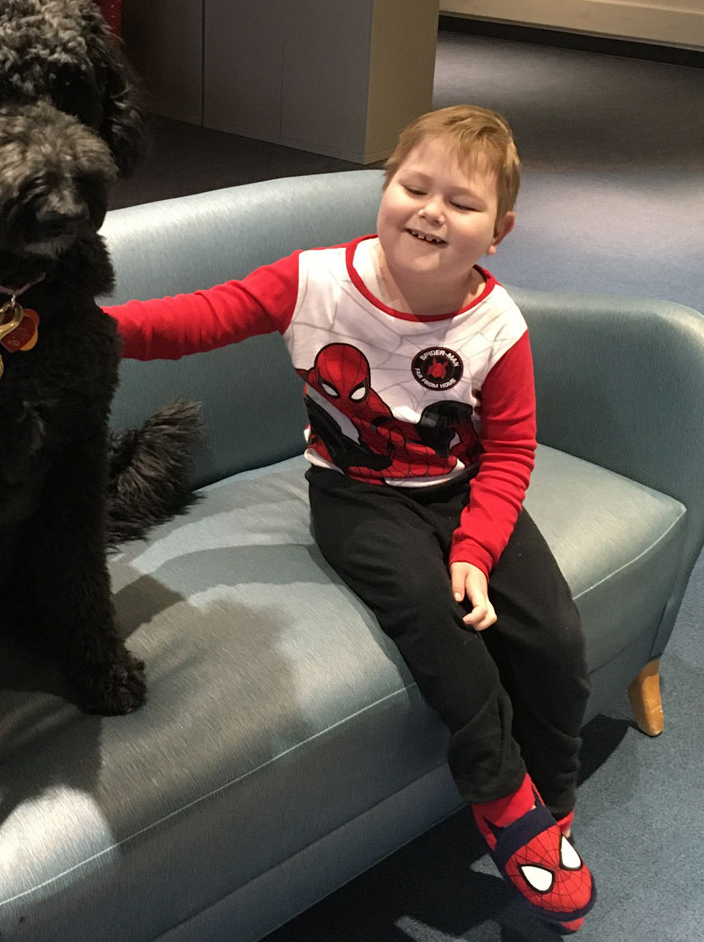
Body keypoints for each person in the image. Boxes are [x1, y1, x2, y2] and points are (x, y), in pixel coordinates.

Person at [105, 105, 595, 932]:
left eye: (462, 203)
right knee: (439, 624)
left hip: (461, 489)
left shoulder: (496, 324)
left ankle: (554, 793)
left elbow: (511, 450)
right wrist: (84, 330)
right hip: (356, 495)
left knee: (554, 634)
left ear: (499, 231)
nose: (432, 211)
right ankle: (503, 795)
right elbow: (191, 320)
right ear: (385, 187)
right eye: (414, 186)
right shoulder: (316, 281)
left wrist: (476, 548)